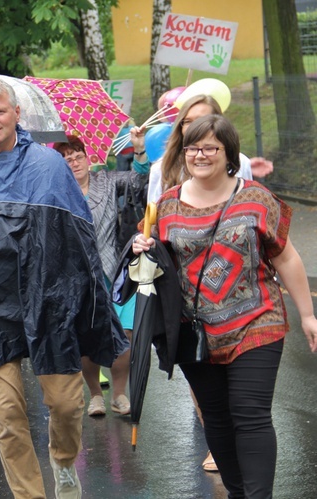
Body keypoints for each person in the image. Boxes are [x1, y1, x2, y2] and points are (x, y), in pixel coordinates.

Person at [0, 78, 127, 499]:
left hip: (48, 299)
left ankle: (63, 461)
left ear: (17, 114)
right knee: (6, 416)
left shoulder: (47, 165)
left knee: (65, 403)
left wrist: (87, 298)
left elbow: (79, 239)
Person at [132, 115, 317, 498]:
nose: (200, 155)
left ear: (228, 152)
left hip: (256, 321)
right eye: (192, 148)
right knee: (215, 418)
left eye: (209, 147)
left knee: (250, 415)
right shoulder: (165, 206)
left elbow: (286, 258)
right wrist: (140, 249)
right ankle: (238, 493)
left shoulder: (255, 197)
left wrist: (308, 315)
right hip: (194, 329)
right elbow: (150, 263)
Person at [53, 135, 148, 418]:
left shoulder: (105, 180)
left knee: (126, 333)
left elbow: (139, 181)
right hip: (79, 276)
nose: (74, 161)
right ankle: (95, 394)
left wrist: (140, 149)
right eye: (66, 158)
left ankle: (119, 393)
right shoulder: (57, 191)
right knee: (87, 338)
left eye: (77, 155)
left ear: (87, 156)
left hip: (116, 270)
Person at [143, 94, 274, 204]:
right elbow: (154, 221)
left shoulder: (242, 164)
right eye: (187, 121)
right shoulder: (162, 168)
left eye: (201, 120)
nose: (194, 127)